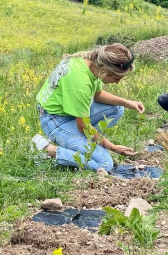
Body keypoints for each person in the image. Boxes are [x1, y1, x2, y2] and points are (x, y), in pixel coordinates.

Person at [32, 43, 145, 172]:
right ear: (105, 70)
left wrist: (128, 102)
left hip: (67, 115)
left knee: (117, 108)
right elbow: (83, 125)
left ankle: (83, 143)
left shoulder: (91, 65)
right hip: (55, 121)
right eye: (116, 78)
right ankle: (50, 150)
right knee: (105, 164)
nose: (117, 82)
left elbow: (98, 95)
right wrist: (112, 147)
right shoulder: (80, 83)